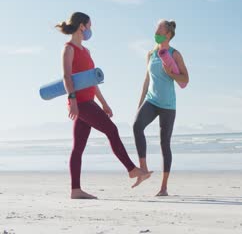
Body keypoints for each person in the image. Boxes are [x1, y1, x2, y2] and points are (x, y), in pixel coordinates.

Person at [56, 12, 150, 199]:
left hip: (89, 101)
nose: (91, 30)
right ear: (82, 26)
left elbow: (92, 82)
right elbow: (67, 77)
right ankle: (131, 169)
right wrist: (72, 101)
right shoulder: (69, 49)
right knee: (112, 131)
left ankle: (75, 190)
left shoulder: (86, 51)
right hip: (80, 103)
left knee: (78, 147)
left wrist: (104, 104)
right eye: (89, 26)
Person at [132, 19, 189, 196]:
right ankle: (143, 170)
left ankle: (163, 187)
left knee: (165, 143)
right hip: (151, 100)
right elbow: (147, 80)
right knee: (136, 126)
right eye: (155, 29)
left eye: (159, 29)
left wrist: (171, 73)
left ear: (168, 34)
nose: (155, 32)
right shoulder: (150, 54)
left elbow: (185, 80)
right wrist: (140, 103)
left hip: (168, 105)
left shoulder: (175, 54)